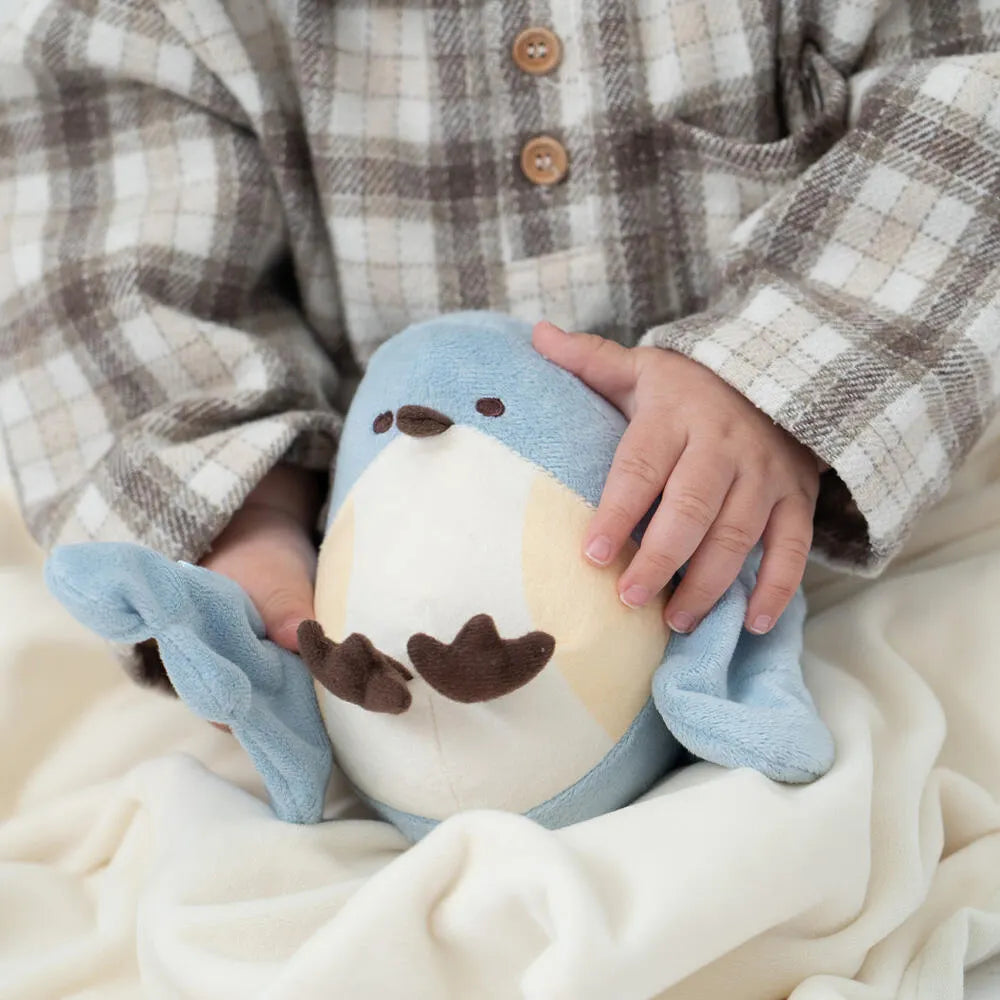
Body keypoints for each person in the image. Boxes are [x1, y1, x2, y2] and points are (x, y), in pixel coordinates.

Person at [1, 0, 997, 692]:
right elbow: (93, 246)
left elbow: (968, 88)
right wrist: (250, 518)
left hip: (815, 549)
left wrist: (770, 374)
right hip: (373, 598)